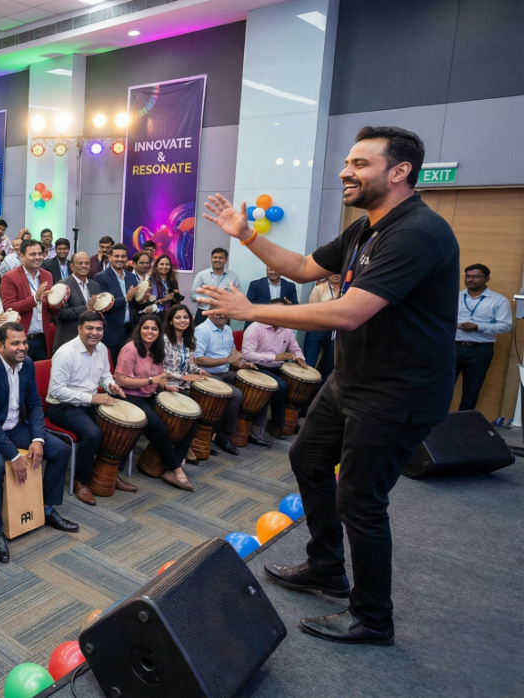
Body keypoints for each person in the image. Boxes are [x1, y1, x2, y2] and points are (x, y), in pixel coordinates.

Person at [198, 126, 459, 645]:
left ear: (400, 172)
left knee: (360, 499)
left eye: (360, 163)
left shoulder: (417, 232)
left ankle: (372, 618)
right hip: (354, 380)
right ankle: (326, 567)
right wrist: (245, 234)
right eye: (347, 162)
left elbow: (349, 312)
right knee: (308, 459)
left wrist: (250, 310)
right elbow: (299, 267)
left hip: (398, 392)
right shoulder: (366, 229)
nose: (345, 171)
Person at [0, 323, 77, 563]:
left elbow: (34, 405)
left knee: (60, 450)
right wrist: (14, 455)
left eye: (24, 342)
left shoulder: (27, 364)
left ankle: (47, 508)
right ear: (0, 346)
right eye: (15, 343)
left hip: (12, 426)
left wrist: (38, 439)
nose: (22, 347)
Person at [47, 311, 136, 503]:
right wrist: (91, 399)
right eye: (89, 328)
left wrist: (111, 385)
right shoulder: (65, 353)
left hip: (89, 402)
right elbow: (56, 391)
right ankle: (81, 481)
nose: (94, 333)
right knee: (93, 434)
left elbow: (105, 375)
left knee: (122, 426)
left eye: (99, 329)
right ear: (79, 329)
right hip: (62, 407)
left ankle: (108, 473)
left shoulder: (102, 349)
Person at [114, 314, 198, 491]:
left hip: (149, 395)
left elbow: (158, 377)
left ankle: (169, 462)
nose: (150, 332)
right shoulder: (130, 349)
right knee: (156, 424)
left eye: (154, 329)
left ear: (159, 332)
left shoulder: (156, 349)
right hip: (129, 396)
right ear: (139, 329)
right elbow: (121, 380)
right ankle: (176, 469)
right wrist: (152, 381)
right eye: (146, 328)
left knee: (191, 419)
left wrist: (165, 386)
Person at [192, 312, 263, 452]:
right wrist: (227, 360)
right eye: (217, 311)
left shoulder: (227, 329)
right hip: (207, 373)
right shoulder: (202, 330)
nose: (221, 314)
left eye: (225, 312)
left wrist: (242, 364)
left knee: (256, 385)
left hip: (225, 372)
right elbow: (198, 359)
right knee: (236, 394)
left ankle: (245, 429)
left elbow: (232, 352)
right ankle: (224, 436)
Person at [454, 263, 511, 411]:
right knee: (442, 387)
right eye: (467, 276)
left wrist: (478, 327)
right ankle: (436, 425)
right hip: (453, 347)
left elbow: (505, 325)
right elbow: (442, 318)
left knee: (471, 391)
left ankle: (463, 426)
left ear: (487, 278)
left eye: (475, 276)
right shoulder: (455, 296)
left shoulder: (499, 300)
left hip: (479, 350)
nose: (470, 280)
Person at [161, 304, 212, 464]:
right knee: (192, 413)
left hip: (185, 386)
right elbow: (159, 369)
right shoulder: (163, 340)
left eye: (185, 317)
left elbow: (191, 364)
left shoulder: (189, 340)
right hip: (167, 386)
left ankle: (184, 446)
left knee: (202, 410)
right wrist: (183, 378)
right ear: (170, 321)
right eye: (178, 317)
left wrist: (198, 371)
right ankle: (180, 451)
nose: (182, 320)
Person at [240, 319, 307, 441]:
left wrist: (299, 358)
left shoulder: (287, 328)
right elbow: (247, 354)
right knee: (281, 386)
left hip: (277, 367)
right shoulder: (256, 327)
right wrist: (274, 357)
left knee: (302, 382)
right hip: (256, 367)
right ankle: (276, 423)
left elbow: (295, 349)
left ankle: (290, 421)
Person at [0, 239, 53, 361]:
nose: (38, 257)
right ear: (22, 256)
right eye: (33, 254)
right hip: (20, 339)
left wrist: (57, 303)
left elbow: (50, 309)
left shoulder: (47, 275)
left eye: (40, 254)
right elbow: (9, 306)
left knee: (40, 376)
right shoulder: (10, 277)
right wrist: (35, 299)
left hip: (43, 338)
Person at [49, 251, 102, 354]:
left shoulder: (95, 285)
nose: (84, 266)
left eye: (87, 263)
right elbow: (59, 314)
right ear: (72, 266)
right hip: (68, 340)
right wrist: (86, 307)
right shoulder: (62, 285)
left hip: (90, 340)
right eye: (80, 263)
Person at [94, 243, 140, 352]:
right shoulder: (100, 277)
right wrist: (125, 299)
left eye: (123, 256)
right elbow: (102, 306)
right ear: (110, 257)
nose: (120, 259)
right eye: (116, 256)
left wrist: (144, 300)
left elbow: (135, 304)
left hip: (130, 331)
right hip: (111, 332)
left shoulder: (132, 277)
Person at [303, 273, 342, 377]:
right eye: (331, 272)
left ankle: (318, 393)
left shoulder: (347, 291)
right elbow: (310, 311)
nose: (335, 275)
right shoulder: (319, 289)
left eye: (338, 272)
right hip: (316, 330)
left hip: (336, 332)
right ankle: (304, 392)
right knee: (308, 365)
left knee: (328, 368)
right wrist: (327, 306)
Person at [191, 248, 241, 325]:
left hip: (223, 313)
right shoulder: (201, 275)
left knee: (222, 336)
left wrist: (225, 299)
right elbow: (193, 296)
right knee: (199, 336)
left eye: (221, 258)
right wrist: (210, 300)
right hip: (203, 313)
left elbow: (238, 298)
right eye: (215, 257)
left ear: (226, 260)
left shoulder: (233, 276)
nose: (217, 260)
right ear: (211, 259)